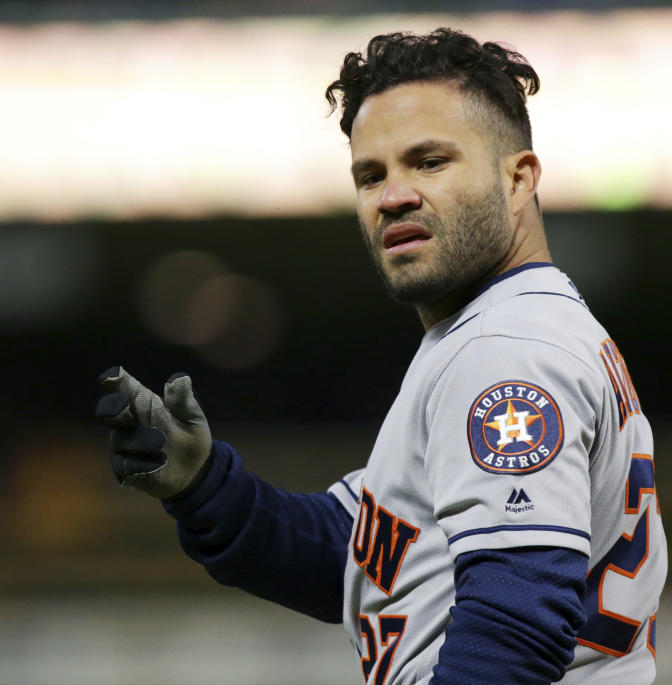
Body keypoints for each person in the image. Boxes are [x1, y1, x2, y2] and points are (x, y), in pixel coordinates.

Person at [95, 28, 666, 684]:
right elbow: (360, 551)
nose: (393, 195)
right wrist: (206, 487)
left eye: (430, 161)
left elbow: (515, 626)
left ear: (518, 178)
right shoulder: (497, 332)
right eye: (371, 174)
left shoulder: (505, 350)